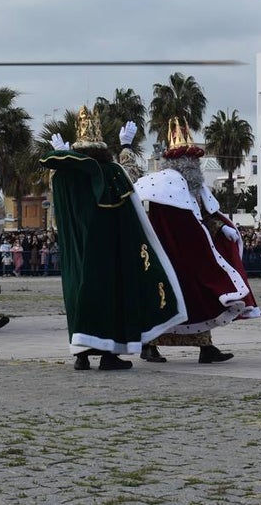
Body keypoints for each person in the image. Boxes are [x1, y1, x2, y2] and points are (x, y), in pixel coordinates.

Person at [40, 107, 186, 371]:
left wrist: (62, 155)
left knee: (78, 296)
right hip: (107, 250)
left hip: (75, 252)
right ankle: (108, 355)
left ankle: (81, 355)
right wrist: (127, 146)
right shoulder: (109, 171)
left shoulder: (62, 176)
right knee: (109, 296)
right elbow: (134, 180)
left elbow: (54, 193)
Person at [133, 118, 261, 364]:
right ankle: (149, 345)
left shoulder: (196, 188)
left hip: (194, 255)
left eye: (194, 159)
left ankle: (206, 348)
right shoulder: (162, 185)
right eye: (189, 159)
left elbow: (203, 216)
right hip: (168, 256)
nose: (193, 164)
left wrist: (222, 228)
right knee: (164, 300)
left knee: (200, 298)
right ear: (176, 161)